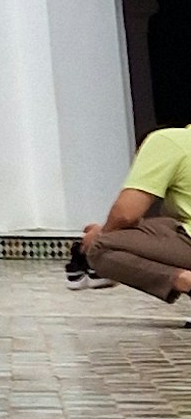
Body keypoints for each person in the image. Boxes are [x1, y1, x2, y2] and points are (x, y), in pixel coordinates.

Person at [71, 128, 191, 301]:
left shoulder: (170, 141)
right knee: (162, 225)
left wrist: (101, 234)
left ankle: (184, 280)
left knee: (101, 246)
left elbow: (125, 214)